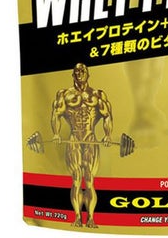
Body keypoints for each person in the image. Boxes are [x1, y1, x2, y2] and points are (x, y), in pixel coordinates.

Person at [51, 63, 113, 228]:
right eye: (76, 71)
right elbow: (56, 114)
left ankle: (91, 217)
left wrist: (108, 135)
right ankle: (77, 217)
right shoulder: (64, 94)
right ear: (73, 75)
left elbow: (107, 116)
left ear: (88, 74)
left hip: (90, 137)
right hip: (74, 138)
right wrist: (56, 133)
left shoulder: (97, 95)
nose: (79, 73)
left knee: (90, 179)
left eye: (82, 71)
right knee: (77, 179)